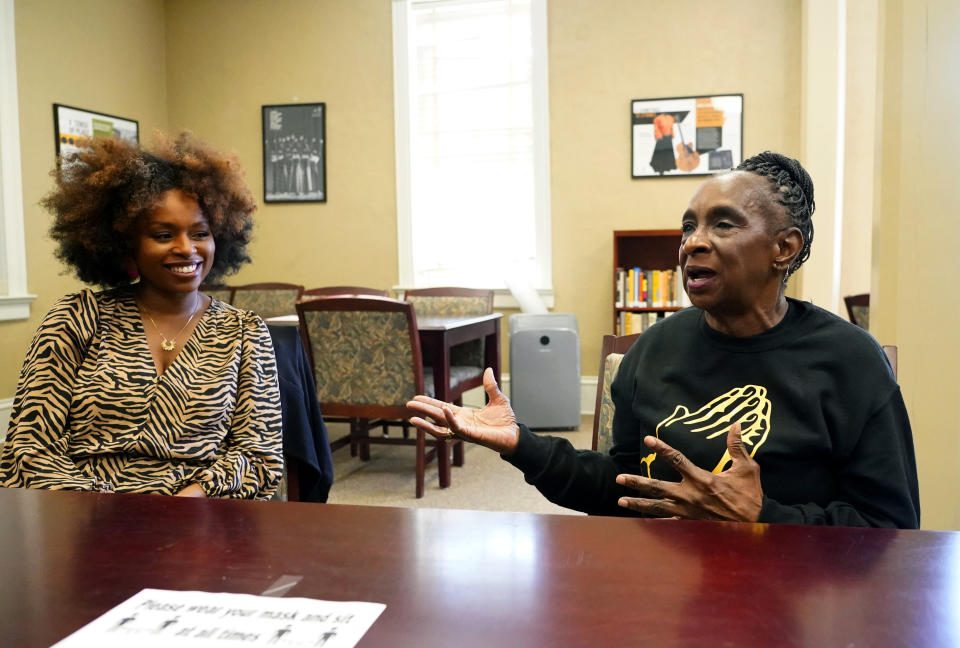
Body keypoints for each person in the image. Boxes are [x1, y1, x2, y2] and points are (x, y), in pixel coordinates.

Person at [407, 151, 920, 528]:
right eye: (688, 227)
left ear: (784, 248)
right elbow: (623, 488)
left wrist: (764, 516)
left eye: (722, 224)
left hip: (795, 600)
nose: (693, 242)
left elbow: (892, 528)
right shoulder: (651, 350)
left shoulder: (850, 362)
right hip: (667, 588)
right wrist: (521, 443)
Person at [0, 133, 283, 499]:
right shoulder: (76, 319)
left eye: (200, 233)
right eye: (163, 234)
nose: (186, 249)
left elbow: (259, 457)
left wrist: (190, 500)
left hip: (202, 518)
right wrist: (110, 513)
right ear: (124, 246)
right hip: (86, 518)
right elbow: (28, 451)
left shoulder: (243, 332)